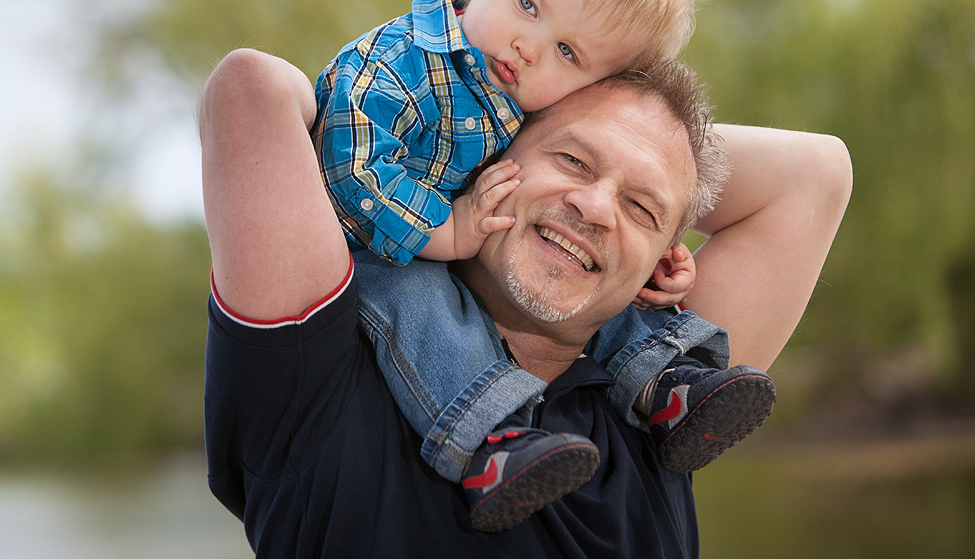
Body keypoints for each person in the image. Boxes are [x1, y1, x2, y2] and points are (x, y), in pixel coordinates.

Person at [200, 53, 853, 557]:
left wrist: (661, 151)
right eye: (572, 160)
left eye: (641, 208)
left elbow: (816, 172)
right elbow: (250, 92)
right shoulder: (324, 378)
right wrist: (448, 136)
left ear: (659, 262)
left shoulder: (668, 402)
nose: (595, 207)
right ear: (481, 160)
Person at [310, 0, 770, 529]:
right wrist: (445, 228)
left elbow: (615, 172)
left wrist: (655, 243)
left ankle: (670, 383)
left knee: (594, 261)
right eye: (527, 3)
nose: (529, 46)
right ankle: (490, 440)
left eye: (568, 51)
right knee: (420, 300)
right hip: (382, 239)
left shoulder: (524, 93)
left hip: (472, 223)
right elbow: (345, 163)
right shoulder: (400, 62)